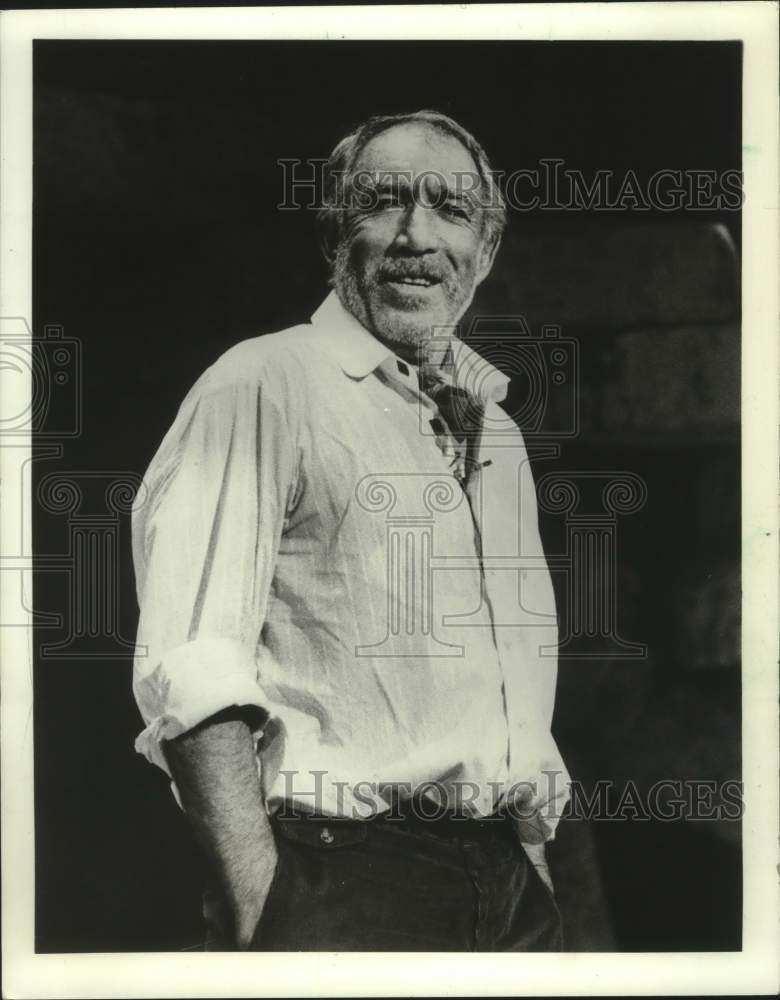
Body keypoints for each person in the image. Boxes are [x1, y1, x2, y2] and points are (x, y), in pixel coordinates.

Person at [131, 109, 570, 952]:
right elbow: (194, 672)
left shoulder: (499, 434)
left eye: (450, 209)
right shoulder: (263, 382)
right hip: (345, 878)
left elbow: (512, 706)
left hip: (510, 891)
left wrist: (534, 876)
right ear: (337, 233)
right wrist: (270, 910)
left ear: (487, 251)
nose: (416, 236)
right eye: (384, 203)